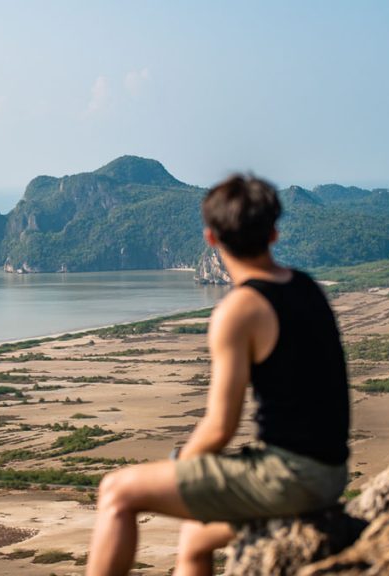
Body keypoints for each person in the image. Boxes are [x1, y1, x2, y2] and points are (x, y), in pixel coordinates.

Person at [85, 174, 350, 576]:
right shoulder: (307, 286)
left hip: (288, 479)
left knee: (116, 492)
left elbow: (219, 428)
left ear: (210, 238)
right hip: (331, 473)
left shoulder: (239, 310)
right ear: (274, 233)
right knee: (194, 540)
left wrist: (181, 470)